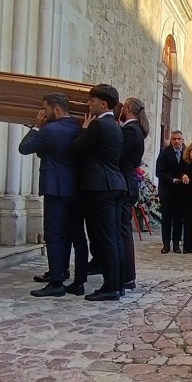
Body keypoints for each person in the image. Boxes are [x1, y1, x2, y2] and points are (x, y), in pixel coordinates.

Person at [18, 93, 87, 297]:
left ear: (56, 109)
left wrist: (37, 126)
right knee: (76, 235)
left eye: (45, 109)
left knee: (55, 234)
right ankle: (78, 279)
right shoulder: (78, 128)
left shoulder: (49, 130)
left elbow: (24, 148)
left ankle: (57, 281)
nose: (43, 113)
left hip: (56, 188)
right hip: (76, 189)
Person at [73, 84, 127, 301]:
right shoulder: (114, 125)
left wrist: (84, 129)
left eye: (91, 101)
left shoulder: (98, 125)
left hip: (100, 187)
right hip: (114, 185)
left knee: (104, 239)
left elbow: (76, 149)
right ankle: (118, 283)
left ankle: (111, 287)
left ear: (103, 104)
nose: (88, 104)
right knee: (113, 238)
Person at [119, 97, 148, 289]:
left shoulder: (130, 131)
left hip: (124, 183)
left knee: (122, 233)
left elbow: (119, 155)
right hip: (128, 183)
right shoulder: (135, 129)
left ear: (128, 108)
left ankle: (126, 276)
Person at [155, 130, 186, 253]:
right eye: (174, 139)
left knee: (178, 218)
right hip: (167, 190)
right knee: (167, 218)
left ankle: (176, 244)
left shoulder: (186, 153)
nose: (177, 141)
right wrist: (173, 180)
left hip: (181, 192)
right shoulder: (164, 153)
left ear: (182, 140)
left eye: (179, 139)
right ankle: (166, 244)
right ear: (171, 140)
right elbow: (159, 172)